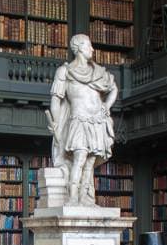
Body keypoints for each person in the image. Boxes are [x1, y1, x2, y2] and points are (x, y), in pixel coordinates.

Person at [46, 34, 118, 206]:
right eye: (89, 45)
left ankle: (85, 198)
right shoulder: (65, 71)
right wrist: (56, 123)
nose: (92, 49)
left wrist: (107, 106)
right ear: (78, 47)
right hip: (79, 119)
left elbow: (114, 89)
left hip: (97, 120)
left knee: (90, 162)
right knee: (79, 158)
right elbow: (56, 100)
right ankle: (72, 197)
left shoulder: (98, 72)